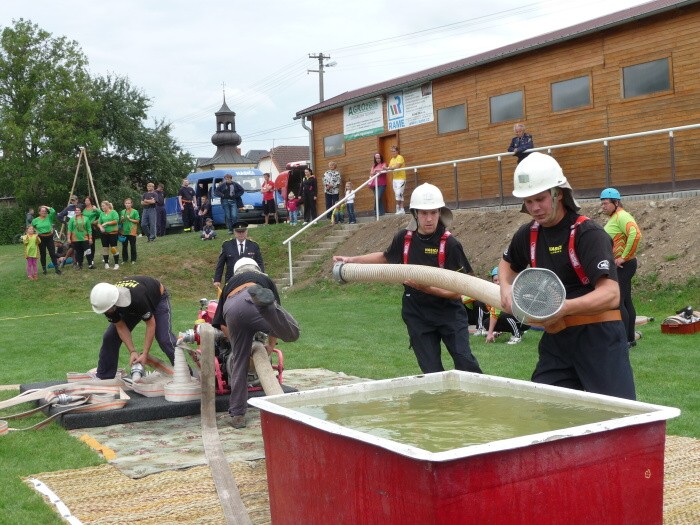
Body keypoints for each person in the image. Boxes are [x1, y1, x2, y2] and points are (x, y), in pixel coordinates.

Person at [498, 152, 635, 400]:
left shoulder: (588, 233)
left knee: (617, 416)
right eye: (528, 202)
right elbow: (507, 263)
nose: (535, 208)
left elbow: (611, 295)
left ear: (558, 193)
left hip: (598, 336)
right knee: (548, 409)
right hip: (557, 338)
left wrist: (563, 308)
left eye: (540, 199)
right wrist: (505, 288)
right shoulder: (527, 234)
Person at [333, 183, 482, 374]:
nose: (429, 219)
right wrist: (351, 260)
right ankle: (439, 403)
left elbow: (462, 289)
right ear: (415, 214)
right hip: (417, 313)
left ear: (440, 213)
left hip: (448, 312)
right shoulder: (404, 238)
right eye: (423, 213)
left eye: (433, 213)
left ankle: (478, 402)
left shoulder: (450, 244)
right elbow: (386, 257)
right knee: (431, 371)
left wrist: (430, 289)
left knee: (465, 362)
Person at [211, 257, 300, 428]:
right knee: (291, 332)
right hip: (254, 300)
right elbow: (276, 322)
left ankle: (237, 414)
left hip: (232, 308)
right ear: (256, 269)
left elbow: (221, 324)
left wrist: (236, 343)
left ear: (237, 271)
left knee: (239, 363)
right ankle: (263, 305)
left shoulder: (229, 284)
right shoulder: (264, 279)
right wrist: (271, 346)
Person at [89, 276, 178, 379]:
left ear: (114, 303)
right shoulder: (106, 303)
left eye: (108, 310)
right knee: (110, 337)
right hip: (129, 304)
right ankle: (105, 377)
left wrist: (145, 353)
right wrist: (132, 351)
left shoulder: (138, 298)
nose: (106, 313)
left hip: (157, 298)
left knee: (164, 339)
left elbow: (150, 324)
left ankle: (184, 373)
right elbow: (121, 327)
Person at [600, 187, 643, 347]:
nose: (603, 206)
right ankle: (630, 339)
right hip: (624, 265)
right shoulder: (616, 217)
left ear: (616, 202)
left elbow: (635, 233)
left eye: (605, 203)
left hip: (624, 265)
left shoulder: (622, 216)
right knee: (626, 301)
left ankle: (625, 340)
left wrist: (624, 257)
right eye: (602, 203)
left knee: (619, 302)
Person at [484, 266, 529, 345]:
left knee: (504, 314)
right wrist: (490, 333)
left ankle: (517, 335)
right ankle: (504, 332)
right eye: (495, 280)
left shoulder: (512, 289)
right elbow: (494, 313)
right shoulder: (496, 293)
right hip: (513, 318)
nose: (497, 282)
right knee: (487, 323)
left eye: (500, 280)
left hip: (524, 320)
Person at [213, 221, 265, 289]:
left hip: (249, 280)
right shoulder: (227, 245)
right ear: (234, 232)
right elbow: (220, 264)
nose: (241, 234)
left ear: (246, 232)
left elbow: (259, 264)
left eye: (243, 231)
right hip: (231, 280)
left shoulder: (254, 246)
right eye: (238, 232)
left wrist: (262, 278)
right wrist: (217, 280)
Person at [31, 205, 61, 275]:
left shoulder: (49, 217)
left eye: (45, 211)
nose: (44, 212)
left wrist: (45, 206)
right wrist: (35, 232)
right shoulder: (35, 220)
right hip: (41, 238)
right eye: (42, 211)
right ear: (39, 212)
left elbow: (53, 211)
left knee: (52, 253)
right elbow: (31, 228)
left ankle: (57, 269)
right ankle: (44, 270)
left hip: (49, 237)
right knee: (43, 254)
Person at [67, 205, 92, 270]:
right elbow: (69, 229)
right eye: (76, 210)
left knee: (88, 251)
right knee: (79, 252)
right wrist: (68, 238)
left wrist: (90, 238)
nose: (77, 211)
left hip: (84, 238)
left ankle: (90, 264)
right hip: (75, 239)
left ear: (81, 211)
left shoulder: (86, 218)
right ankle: (80, 265)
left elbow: (89, 229)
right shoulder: (72, 219)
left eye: (78, 210)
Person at [98, 200, 120, 269]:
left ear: (107, 206)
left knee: (113, 248)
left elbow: (116, 221)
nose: (102, 207)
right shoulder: (102, 214)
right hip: (104, 234)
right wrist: (101, 227)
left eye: (103, 206)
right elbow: (99, 222)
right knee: (105, 248)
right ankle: (106, 263)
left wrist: (107, 223)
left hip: (113, 233)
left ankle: (116, 264)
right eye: (101, 206)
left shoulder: (113, 212)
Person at [120, 198, 140, 265]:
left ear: (131, 204)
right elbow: (121, 222)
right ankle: (124, 259)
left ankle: (133, 259)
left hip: (132, 231)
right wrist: (122, 219)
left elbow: (137, 221)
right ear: (124, 204)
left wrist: (130, 219)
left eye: (129, 203)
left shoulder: (135, 211)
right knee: (124, 246)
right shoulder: (123, 211)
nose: (127, 204)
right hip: (124, 231)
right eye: (126, 203)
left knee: (132, 246)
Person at [82, 196, 100, 269]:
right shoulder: (84, 210)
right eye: (85, 201)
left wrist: (96, 221)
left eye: (87, 200)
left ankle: (91, 259)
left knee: (91, 243)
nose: (86, 202)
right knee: (86, 244)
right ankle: (88, 259)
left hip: (92, 227)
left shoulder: (94, 208)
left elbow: (101, 215)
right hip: (84, 229)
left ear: (90, 201)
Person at [388, 146, 406, 214]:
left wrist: (389, 168)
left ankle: (398, 208)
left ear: (397, 151)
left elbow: (397, 166)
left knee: (399, 193)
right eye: (391, 151)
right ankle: (402, 209)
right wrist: (388, 168)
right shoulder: (392, 159)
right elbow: (390, 167)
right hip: (395, 179)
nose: (392, 153)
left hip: (401, 178)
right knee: (398, 194)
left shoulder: (400, 157)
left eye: (394, 151)